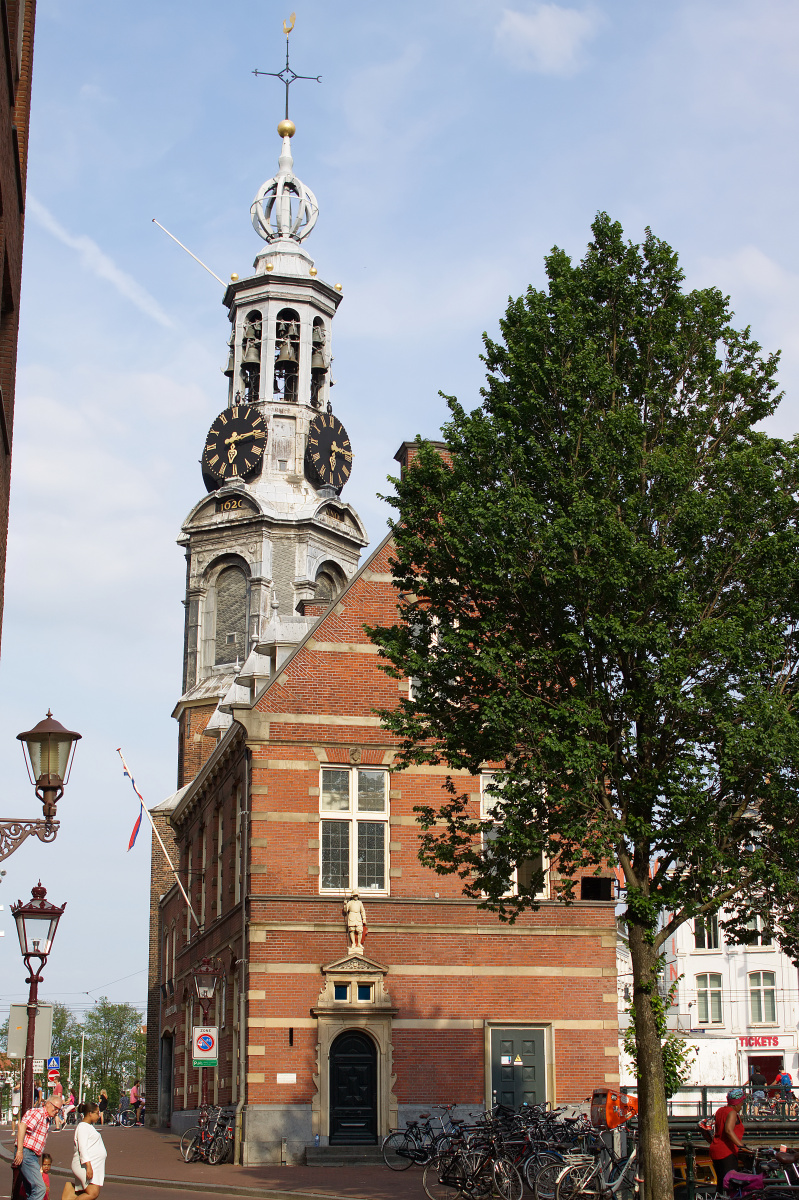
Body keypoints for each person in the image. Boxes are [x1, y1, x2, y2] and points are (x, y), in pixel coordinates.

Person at [12, 1092, 63, 1200]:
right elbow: (22, 1126)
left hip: (32, 1155)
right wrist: (20, 1151)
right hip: (27, 1153)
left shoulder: (46, 1119)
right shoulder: (38, 1113)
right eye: (55, 1108)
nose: (57, 1111)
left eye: (59, 1109)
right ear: (48, 1104)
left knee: (31, 1191)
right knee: (40, 1188)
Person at [61, 1100, 107, 1200]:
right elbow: (82, 1147)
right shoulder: (82, 1127)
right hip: (85, 1166)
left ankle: (70, 1195)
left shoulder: (88, 1127)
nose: (99, 1115)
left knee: (84, 1192)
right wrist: (88, 1166)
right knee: (93, 1192)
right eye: (97, 1113)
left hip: (92, 1165)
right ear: (90, 1113)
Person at [708, 1087, 750, 1190]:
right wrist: (741, 1146)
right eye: (741, 1103)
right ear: (736, 1103)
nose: (741, 1106)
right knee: (730, 1183)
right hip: (727, 1152)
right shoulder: (732, 1113)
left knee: (721, 1182)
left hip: (716, 1150)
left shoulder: (720, 1110)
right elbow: (728, 1130)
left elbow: (708, 1125)